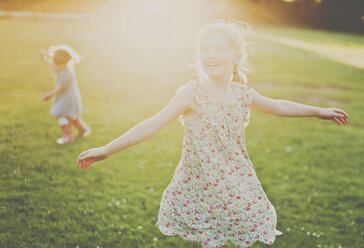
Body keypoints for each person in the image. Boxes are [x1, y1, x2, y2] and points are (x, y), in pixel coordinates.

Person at [77, 22, 349, 247]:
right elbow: (152, 123)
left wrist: (318, 110)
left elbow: (279, 105)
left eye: (219, 48)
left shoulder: (242, 94)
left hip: (235, 176)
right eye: (205, 49)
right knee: (210, 233)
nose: (211, 54)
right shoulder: (192, 93)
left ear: (236, 57)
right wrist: (106, 149)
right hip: (200, 181)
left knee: (253, 217)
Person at [40, 45, 91, 144]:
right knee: (70, 114)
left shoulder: (68, 73)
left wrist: (50, 94)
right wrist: (44, 59)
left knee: (60, 115)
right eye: (56, 64)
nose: (56, 66)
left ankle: (68, 137)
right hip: (65, 96)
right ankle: (83, 129)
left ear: (66, 63)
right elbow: (52, 64)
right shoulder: (61, 67)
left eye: (59, 65)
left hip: (68, 97)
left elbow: (62, 87)